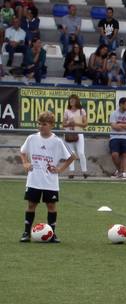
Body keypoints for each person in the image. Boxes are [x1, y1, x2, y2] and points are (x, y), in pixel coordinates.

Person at [19, 112, 74, 243]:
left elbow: (71, 157)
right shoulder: (32, 138)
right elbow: (22, 152)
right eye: (39, 123)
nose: (41, 126)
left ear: (51, 125)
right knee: (31, 204)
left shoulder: (57, 141)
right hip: (34, 180)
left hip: (50, 181)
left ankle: (52, 234)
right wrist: (25, 162)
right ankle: (26, 232)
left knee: (51, 206)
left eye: (44, 124)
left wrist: (60, 169)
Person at [108, 96, 126, 179]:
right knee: (114, 155)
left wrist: (120, 124)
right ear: (121, 104)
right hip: (114, 137)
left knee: (125, 155)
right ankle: (119, 170)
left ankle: (123, 174)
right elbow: (114, 126)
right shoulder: (114, 113)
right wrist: (125, 126)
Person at [62, 94, 89, 179]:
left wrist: (76, 123)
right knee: (71, 153)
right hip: (69, 133)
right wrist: (69, 123)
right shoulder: (67, 111)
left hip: (79, 132)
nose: (71, 101)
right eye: (70, 100)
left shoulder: (81, 111)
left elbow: (85, 124)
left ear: (77, 101)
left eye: (73, 100)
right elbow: (63, 124)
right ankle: (71, 171)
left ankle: (84, 171)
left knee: (81, 152)